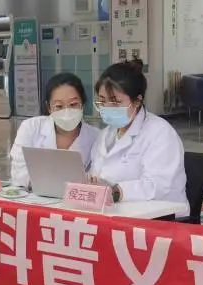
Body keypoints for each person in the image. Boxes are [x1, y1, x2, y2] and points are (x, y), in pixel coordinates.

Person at [88, 62, 188, 214]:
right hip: (114, 211)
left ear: (137, 101)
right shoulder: (106, 134)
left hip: (160, 216)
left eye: (115, 102)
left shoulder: (160, 132)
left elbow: (158, 186)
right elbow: (96, 175)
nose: (107, 107)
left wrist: (117, 192)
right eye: (102, 101)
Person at [10, 73, 100, 189]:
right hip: (34, 196)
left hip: (76, 198)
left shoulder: (96, 137)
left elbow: (97, 178)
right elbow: (18, 173)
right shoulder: (31, 127)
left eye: (73, 104)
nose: (67, 111)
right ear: (49, 107)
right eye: (59, 106)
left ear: (82, 104)